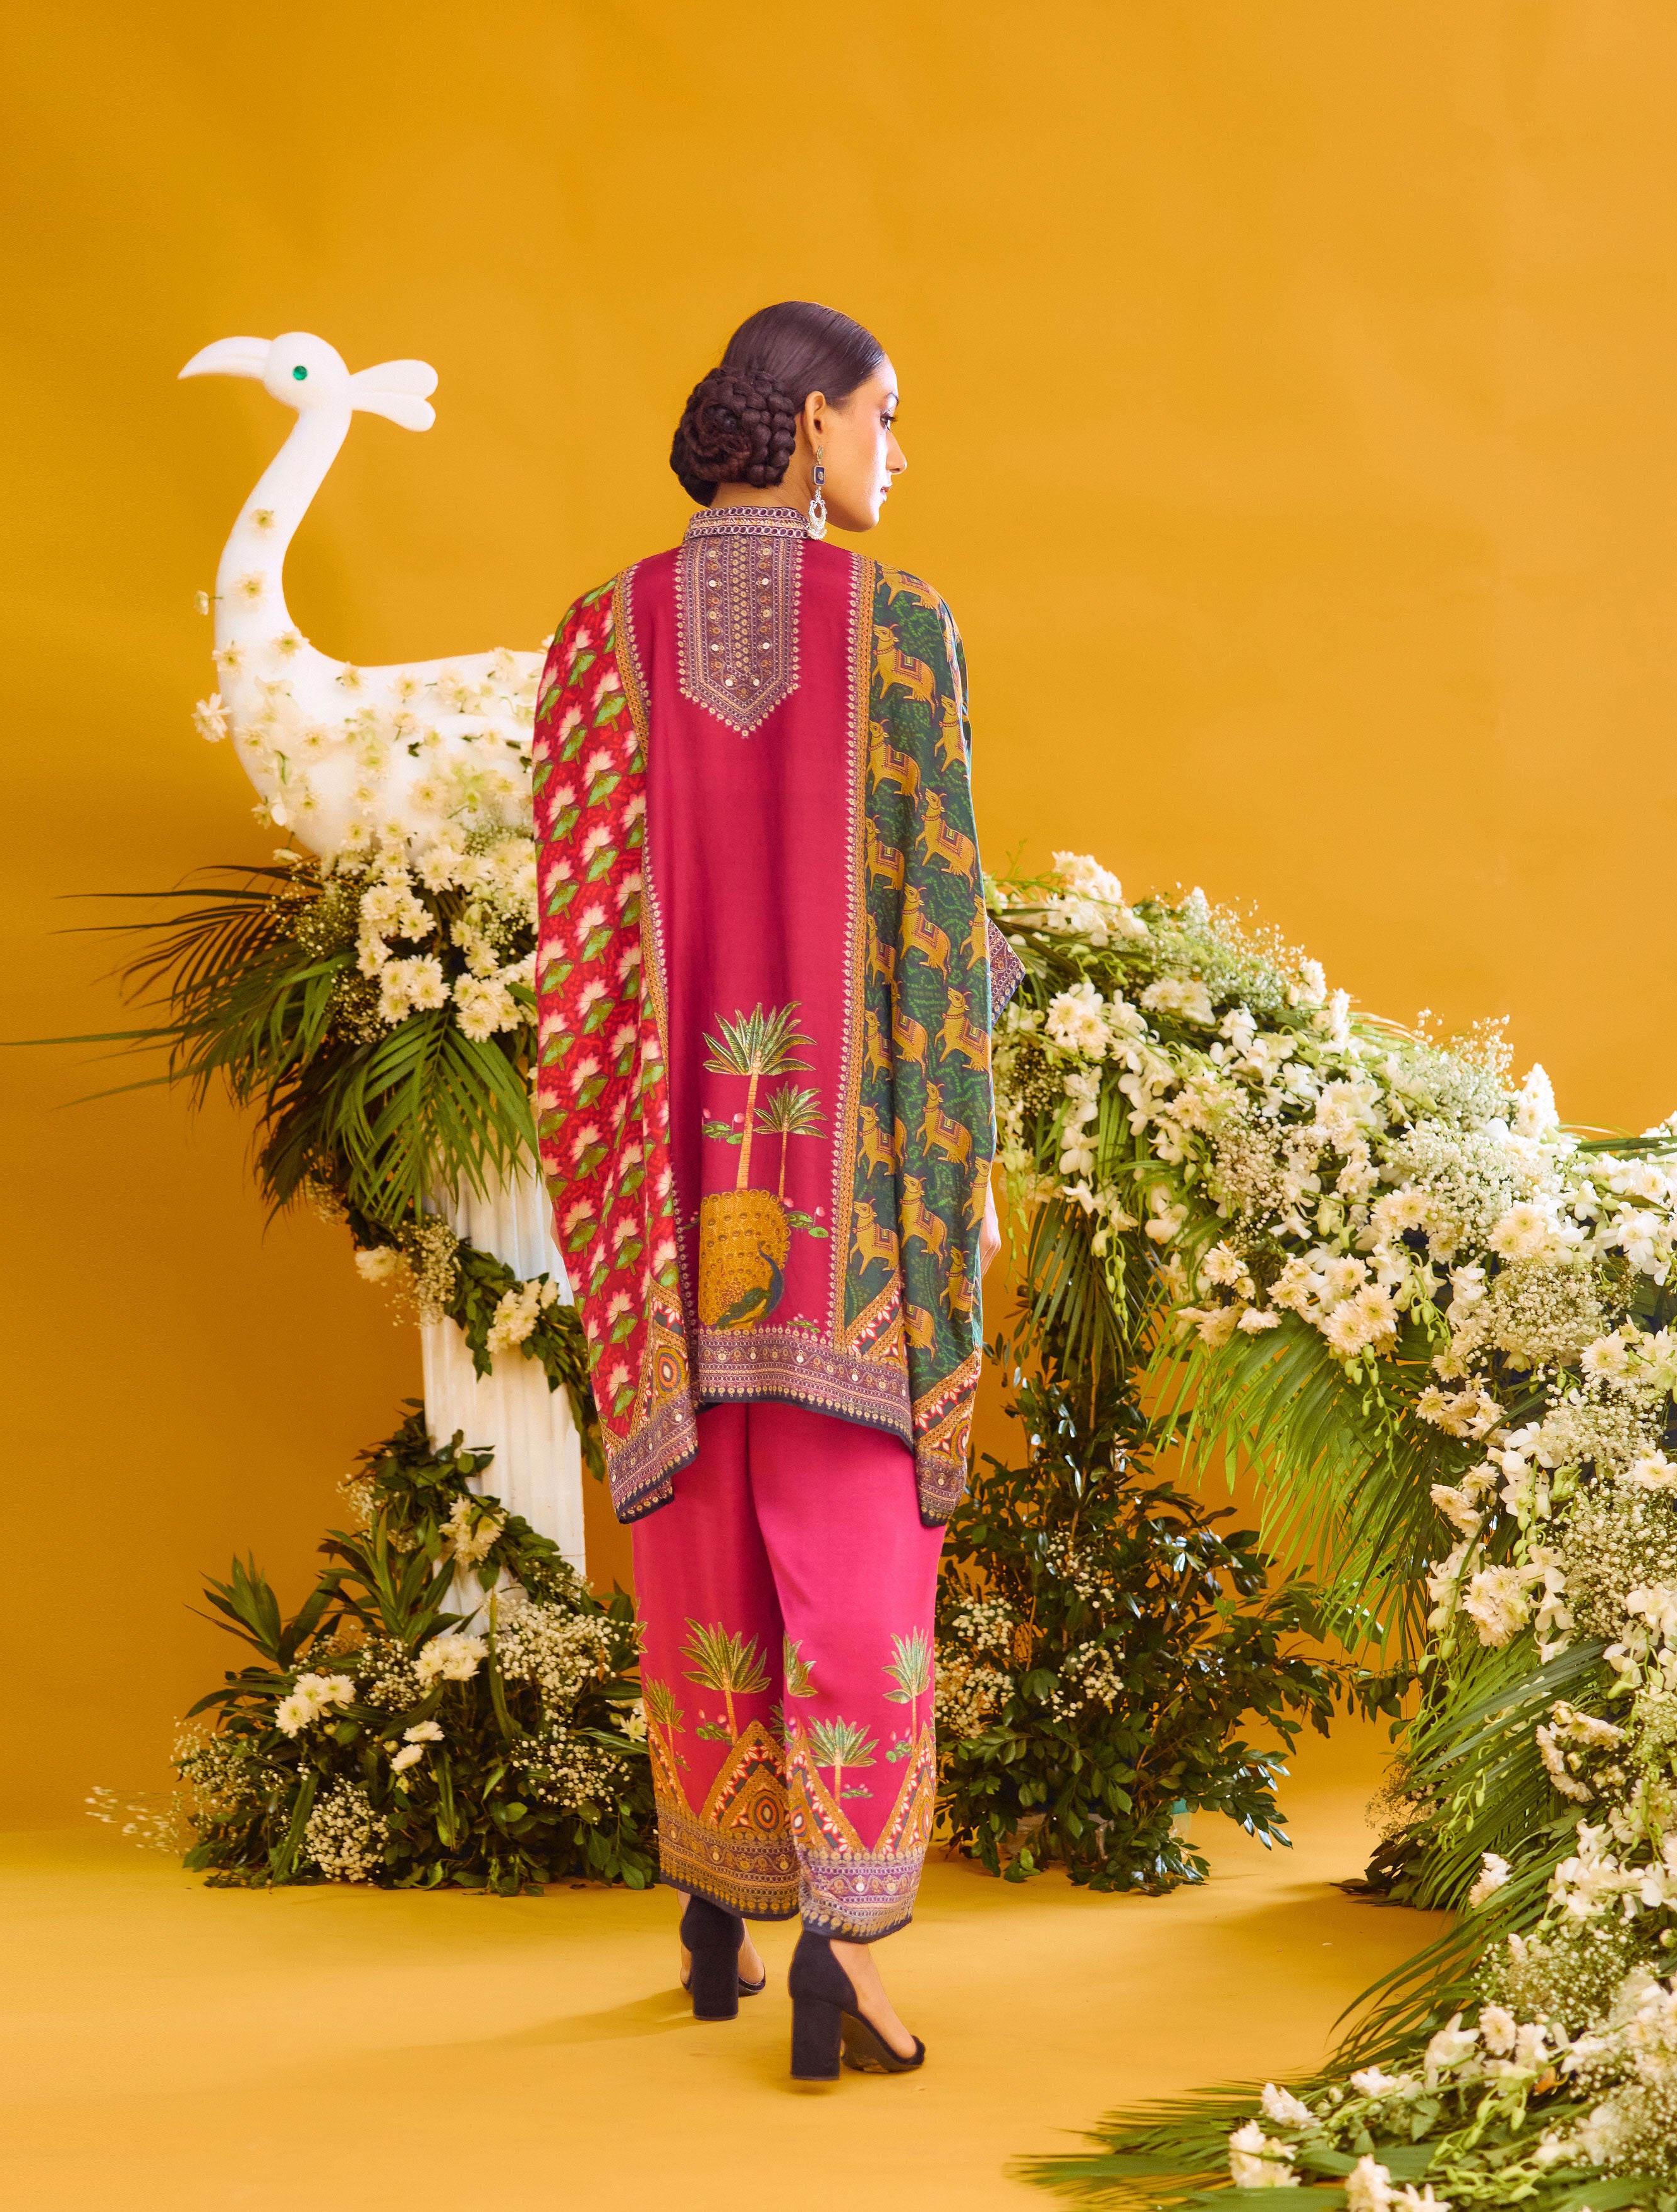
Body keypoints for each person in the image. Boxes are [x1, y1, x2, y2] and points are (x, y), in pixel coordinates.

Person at [531, 300, 1022, 2081]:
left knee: (705, 1540)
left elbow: (579, 941)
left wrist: (613, 1177)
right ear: (811, 425)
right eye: (884, 415)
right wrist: (960, 1161)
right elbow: (943, 929)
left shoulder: (597, 637)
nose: (898, 451)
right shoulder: (901, 627)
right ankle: (848, 1953)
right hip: (853, 1206)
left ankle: (717, 1910)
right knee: (855, 1543)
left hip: (667, 1194)